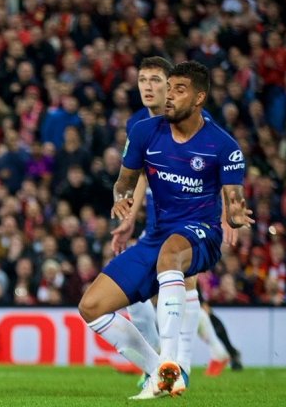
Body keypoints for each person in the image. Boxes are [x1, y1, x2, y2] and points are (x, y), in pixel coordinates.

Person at [78, 61, 253, 399]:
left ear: (199, 97)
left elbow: (233, 198)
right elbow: (125, 182)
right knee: (92, 306)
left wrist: (234, 215)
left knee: (172, 256)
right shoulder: (144, 131)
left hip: (201, 232)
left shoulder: (223, 145)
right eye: (167, 87)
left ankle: (174, 362)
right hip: (158, 233)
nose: (168, 95)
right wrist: (123, 202)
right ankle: (160, 371)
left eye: (178, 89)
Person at [113, 57, 241, 385]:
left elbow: (214, 173)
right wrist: (129, 216)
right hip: (158, 214)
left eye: (157, 80)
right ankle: (164, 359)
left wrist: (227, 214)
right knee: (154, 288)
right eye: (143, 80)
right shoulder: (140, 125)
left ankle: (177, 363)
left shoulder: (197, 123)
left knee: (183, 282)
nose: (149, 87)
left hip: (191, 217)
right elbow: (138, 174)